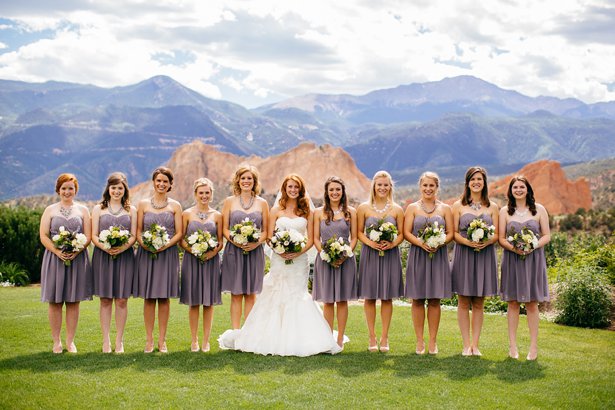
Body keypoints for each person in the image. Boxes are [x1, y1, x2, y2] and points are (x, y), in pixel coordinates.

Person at [218, 174, 342, 356]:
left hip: (299, 261)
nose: (293, 190)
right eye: (290, 187)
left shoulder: (307, 211)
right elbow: (268, 235)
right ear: (284, 189)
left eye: (296, 187)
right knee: (275, 292)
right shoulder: (276, 210)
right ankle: (264, 336)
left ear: (300, 190)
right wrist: (279, 249)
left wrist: (298, 252)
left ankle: (302, 338)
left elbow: (311, 237)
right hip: (279, 259)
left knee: (297, 295)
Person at [39, 173, 92, 353]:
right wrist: (57, 251)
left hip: (77, 260)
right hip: (54, 259)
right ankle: (56, 342)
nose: (67, 192)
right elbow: (43, 235)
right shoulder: (50, 210)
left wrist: (77, 250)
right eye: (64, 188)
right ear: (58, 190)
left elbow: (89, 236)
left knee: (72, 301)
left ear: (75, 190)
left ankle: (70, 341)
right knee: (54, 301)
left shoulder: (83, 210)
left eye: (70, 188)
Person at [499, 176, 550, 361]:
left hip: (533, 260)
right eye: (515, 187)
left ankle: (533, 348)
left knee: (532, 304)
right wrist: (516, 248)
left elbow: (546, 236)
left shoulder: (539, 209)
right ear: (511, 191)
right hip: (512, 260)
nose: (518, 190)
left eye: (522, 187)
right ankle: (512, 347)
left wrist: (531, 246)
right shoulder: (504, 211)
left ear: (527, 189)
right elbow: (501, 238)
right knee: (512, 303)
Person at [450, 166, 499, 356]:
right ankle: (465, 344)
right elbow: (454, 233)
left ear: (484, 183)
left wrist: (486, 241)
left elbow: (497, 234)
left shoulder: (493, 207)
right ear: (467, 183)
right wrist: (468, 242)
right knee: (463, 301)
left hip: (484, 255)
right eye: (473, 179)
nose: (476, 182)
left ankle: (475, 345)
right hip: (464, 254)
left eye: (480, 179)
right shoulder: (458, 206)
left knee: (479, 302)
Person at [133, 167, 182, 353]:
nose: (161, 184)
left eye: (165, 181)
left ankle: (162, 341)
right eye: (158, 180)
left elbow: (179, 233)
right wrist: (145, 244)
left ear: (170, 185)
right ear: (153, 182)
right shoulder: (143, 205)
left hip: (167, 254)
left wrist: (165, 245)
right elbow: (137, 231)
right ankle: (149, 340)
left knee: (163, 298)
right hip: (147, 254)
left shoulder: (175, 206)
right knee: (149, 298)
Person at [404, 171, 453, 355]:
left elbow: (451, 232)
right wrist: (421, 243)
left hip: (438, 257)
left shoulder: (445, 209)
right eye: (425, 185)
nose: (428, 189)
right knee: (417, 299)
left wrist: (439, 242)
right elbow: (407, 232)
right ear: (420, 187)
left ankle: (433, 341)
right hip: (418, 255)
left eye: (431, 185)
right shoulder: (412, 208)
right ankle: (419, 341)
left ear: (437, 187)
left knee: (434, 300)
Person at [357, 170, 404, 353]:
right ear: (374, 187)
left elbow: (401, 234)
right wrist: (371, 243)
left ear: (390, 187)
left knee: (386, 297)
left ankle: (385, 337)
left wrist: (392, 243)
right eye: (379, 185)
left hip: (390, 255)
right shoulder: (364, 208)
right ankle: (372, 336)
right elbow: (359, 231)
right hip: (370, 254)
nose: (382, 188)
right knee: (369, 297)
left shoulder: (397, 209)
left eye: (386, 185)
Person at [91, 172, 137, 354]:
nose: (117, 191)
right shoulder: (98, 209)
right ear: (108, 189)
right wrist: (105, 247)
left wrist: (123, 247)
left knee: (122, 300)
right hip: (103, 257)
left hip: (125, 257)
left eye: (120, 188)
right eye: (113, 187)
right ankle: (106, 341)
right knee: (105, 300)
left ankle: (119, 341)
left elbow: (134, 235)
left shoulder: (131, 210)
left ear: (124, 189)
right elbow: (94, 234)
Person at [220, 165, 269, 329]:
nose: (246, 181)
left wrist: (255, 243)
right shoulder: (229, 201)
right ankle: (235, 331)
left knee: (250, 294)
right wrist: (235, 241)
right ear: (238, 181)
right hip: (234, 252)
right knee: (236, 294)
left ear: (254, 181)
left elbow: (266, 231)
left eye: (250, 178)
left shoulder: (262, 203)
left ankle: (248, 332)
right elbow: (225, 228)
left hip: (255, 252)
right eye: (243, 178)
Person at [313, 176, 358, 347]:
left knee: (342, 300)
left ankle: (340, 338)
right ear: (326, 192)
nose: (334, 192)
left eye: (338, 189)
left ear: (342, 192)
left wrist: (345, 254)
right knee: (328, 301)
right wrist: (326, 254)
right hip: (325, 261)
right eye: (331, 189)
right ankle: (328, 337)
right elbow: (315, 238)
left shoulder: (351, 212)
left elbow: (354, 238)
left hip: (345, 261)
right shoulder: (318, 213)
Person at [180, 178, 223, 353]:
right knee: (194, 302)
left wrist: (212, 252)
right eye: (201, 193)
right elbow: (182, 239)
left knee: (208, 302)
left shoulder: (217, 215)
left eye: (207, 193)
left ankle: (206, 341)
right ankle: (194, 340)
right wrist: (193, 250)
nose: (204, 196)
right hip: (192, 260)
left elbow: (220, 241)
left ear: (211, 194)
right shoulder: (187, 214)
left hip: (211, 261)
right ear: (195, 194)